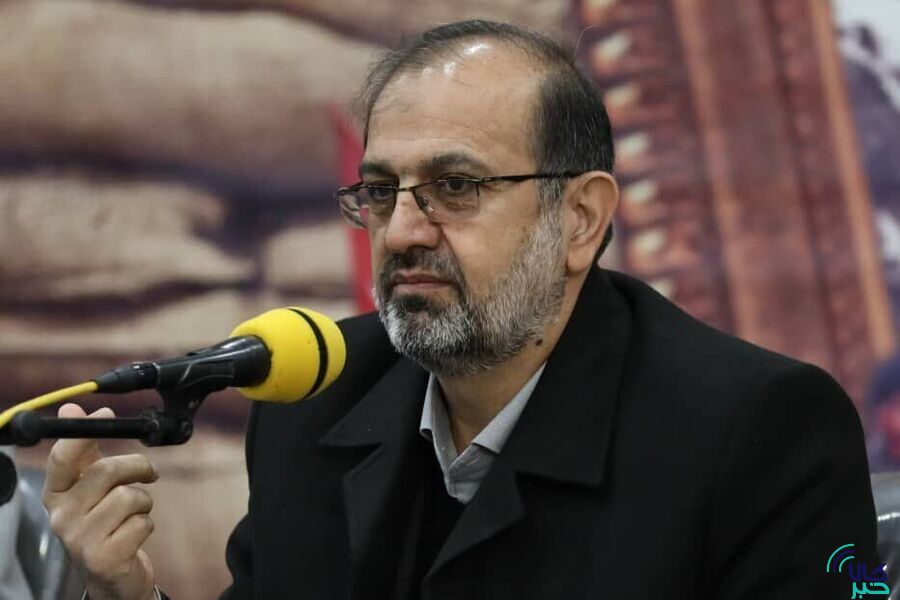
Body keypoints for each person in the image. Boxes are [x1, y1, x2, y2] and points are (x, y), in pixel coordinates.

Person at [42, 20, 877, 600]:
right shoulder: (314, 404)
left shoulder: (758, 431)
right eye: (381, 190)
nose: (404, 231)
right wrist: (129, 595)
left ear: (580, 220)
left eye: (455, 186)